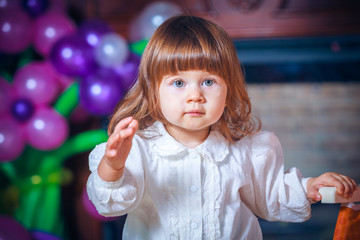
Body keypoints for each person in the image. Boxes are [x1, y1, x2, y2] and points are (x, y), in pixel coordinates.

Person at [86, 15, 357, 239]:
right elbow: (111, 205)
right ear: (154, 92)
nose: (195, 95)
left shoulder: (244, 151)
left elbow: (271, 197)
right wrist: (114, 167)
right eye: (179, 83)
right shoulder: (139, 150)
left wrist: (310, 187)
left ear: (228, 90)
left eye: (208, 82)